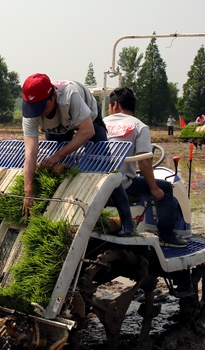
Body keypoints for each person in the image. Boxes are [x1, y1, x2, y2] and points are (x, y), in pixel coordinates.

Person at [104, 87, 186, 247]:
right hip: (122, 185)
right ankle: (167, 236)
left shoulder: (102, 123)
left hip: (99, 183)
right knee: (166, 189)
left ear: (115, 106)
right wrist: (154, 188)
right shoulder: (139, 126)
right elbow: (144, 161)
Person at [21, 73, 109, 215]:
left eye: (42, 107)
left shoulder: (69, 96)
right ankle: (60, 212)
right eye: (35, 109)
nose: (39, 113)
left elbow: (87, 130)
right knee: (58, 169)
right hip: (60, 125)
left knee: (103, 165)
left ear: (54, 96)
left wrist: (58, 155)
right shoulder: (31, 114)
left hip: (87, 119)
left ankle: (124, 221)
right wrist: (28, 190)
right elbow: (30, 154)